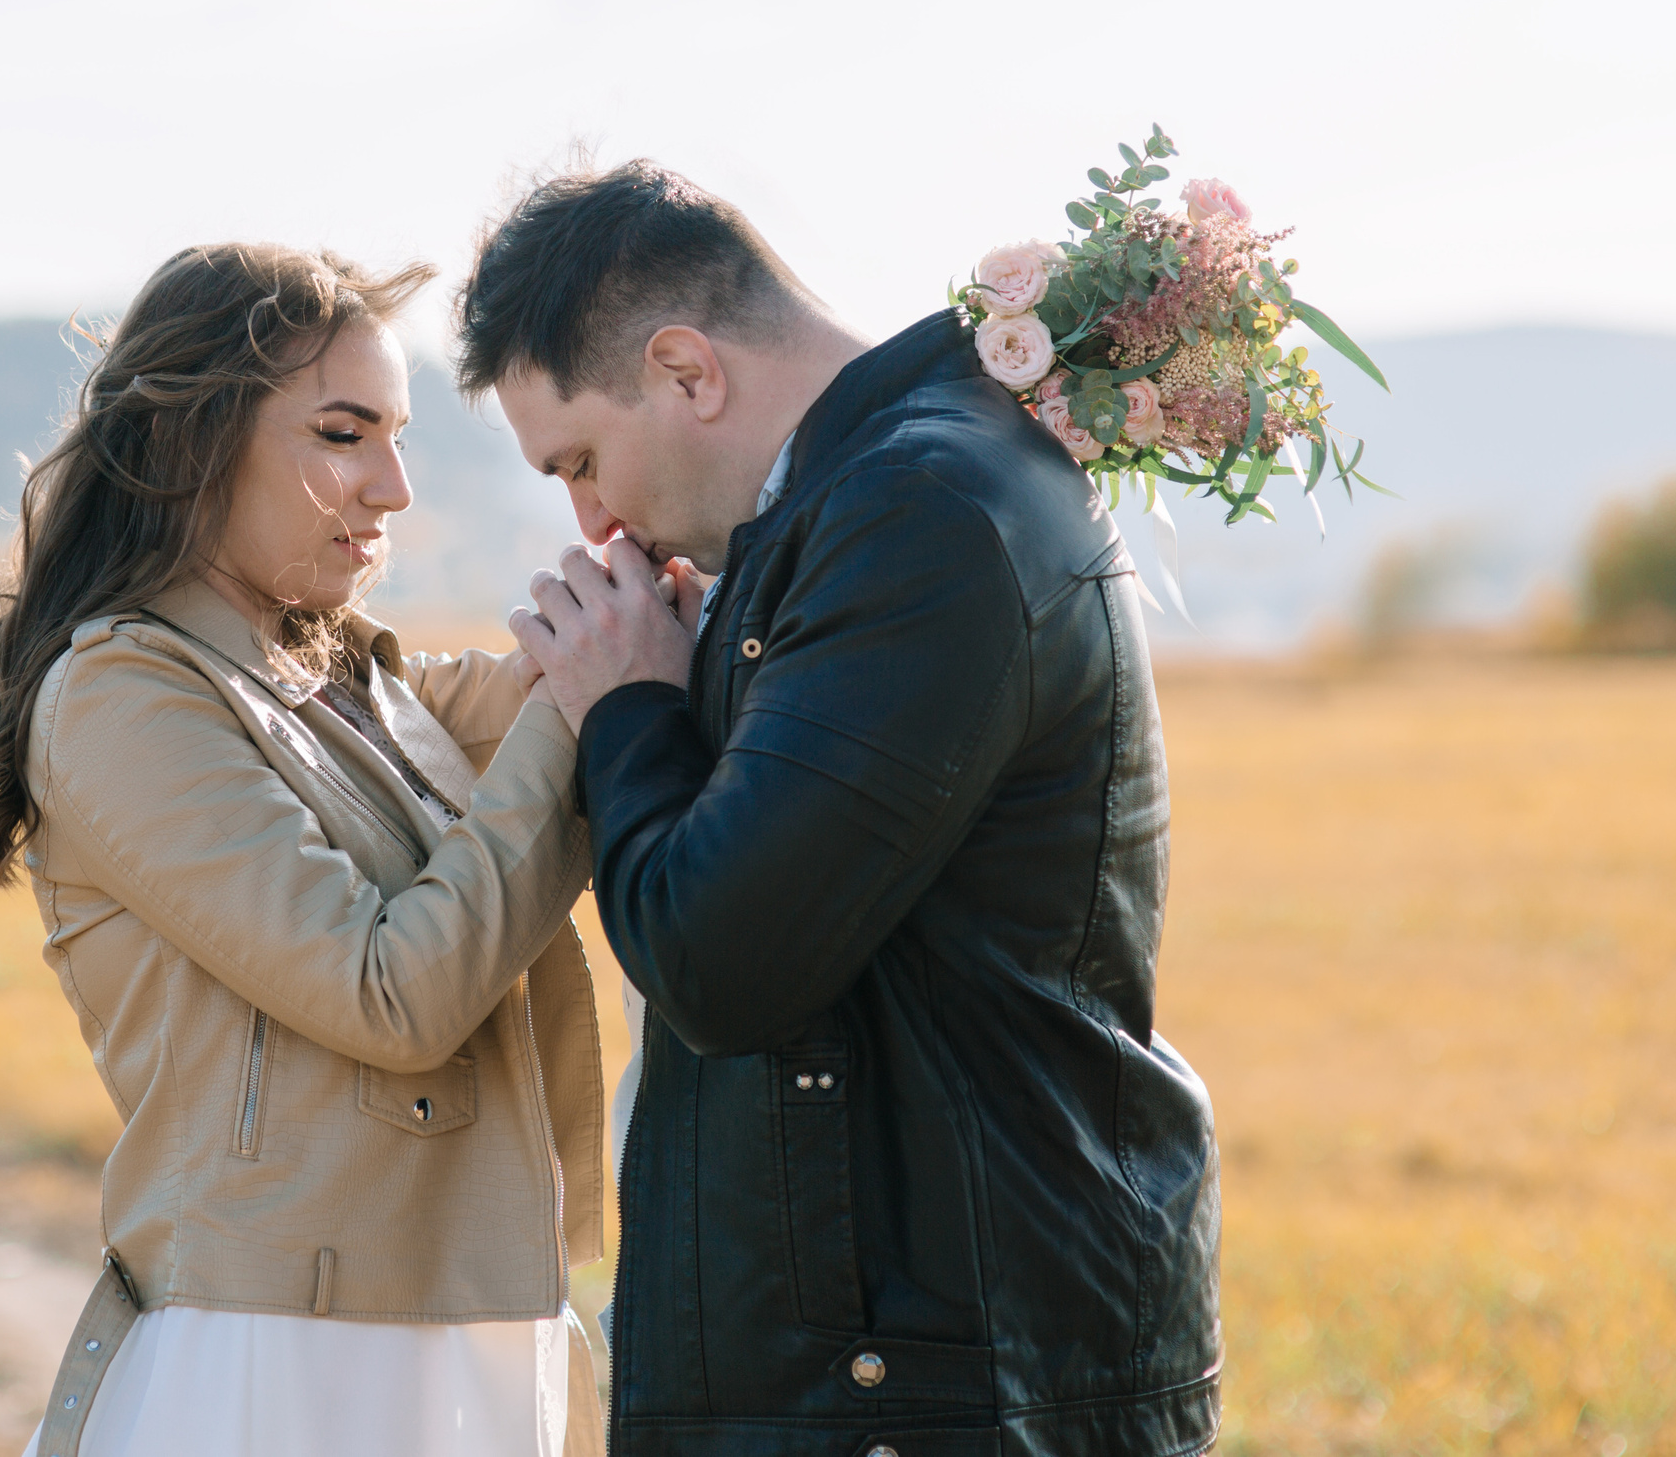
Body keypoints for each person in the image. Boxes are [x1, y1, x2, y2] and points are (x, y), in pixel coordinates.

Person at [459, 162, 1223, 1456]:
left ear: (688, 370)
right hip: (899, 1368)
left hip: (935, 1392)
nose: (590, 519)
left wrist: (632, 706)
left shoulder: (921, 513)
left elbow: (723, 958)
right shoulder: (857, 510)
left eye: (581, 460)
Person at [0, 243, 607, 1457]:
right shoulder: (124, 692)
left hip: (461, 1321)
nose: (394, 487)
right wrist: (580, 697)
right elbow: (385, 991)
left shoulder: (346, 676)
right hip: (285, 1357)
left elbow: (568, 693)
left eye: (398, 436)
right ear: (193, 448)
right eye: (344, 435)